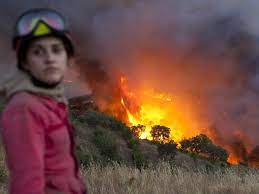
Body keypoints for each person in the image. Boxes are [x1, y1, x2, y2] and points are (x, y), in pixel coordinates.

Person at [0, 8, 87, 194]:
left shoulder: (51, 102)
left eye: (56, 50)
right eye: (38, 52)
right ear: (24, 62)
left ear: (67, 58)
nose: (49, 59)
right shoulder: (25, 107)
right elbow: (27, 182)